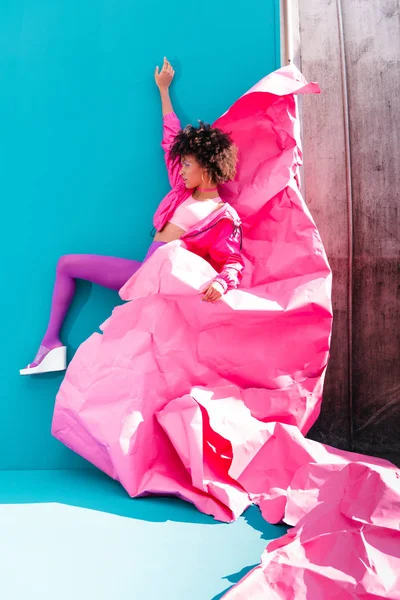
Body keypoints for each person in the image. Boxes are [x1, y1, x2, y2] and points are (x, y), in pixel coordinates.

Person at [20, 57, 244, 376]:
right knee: (66, 264)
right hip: (143, 277)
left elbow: (233, 260)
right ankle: (51, 345)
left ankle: (53, 348)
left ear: (207, 168)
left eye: (189, 164)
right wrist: (164, 91)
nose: (182, 168)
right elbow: (171, 141)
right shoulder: (183, 189)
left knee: (135, 370)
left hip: (160, 290)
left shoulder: (222, 215)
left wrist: (222, 283)